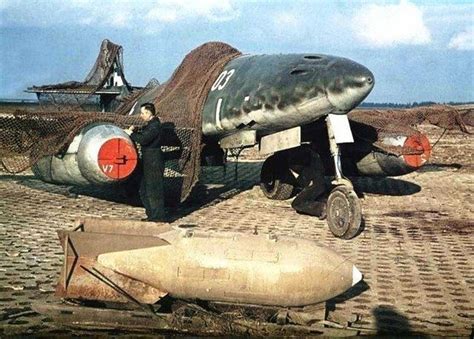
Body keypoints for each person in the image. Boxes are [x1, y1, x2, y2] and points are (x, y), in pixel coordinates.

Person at [125, 103, 166, 222]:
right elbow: (145, 133)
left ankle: (158, 217)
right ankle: (152, 215)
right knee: (144, 189)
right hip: (148, 160)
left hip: (153, 161)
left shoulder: (155, 126)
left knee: (154, 189)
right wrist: (136, 130)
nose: (141, 116)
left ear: (149, 113)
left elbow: (144, 139)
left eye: (143, 113)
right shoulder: (151, 125)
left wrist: (131, 134)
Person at [290, 147, 328, 219]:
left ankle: (321, 208)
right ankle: (325, 202)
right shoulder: (313, 153)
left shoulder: (299, 155)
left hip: (314, 183)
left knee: (296, 204)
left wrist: (293, 172)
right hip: (321, 182)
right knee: (315, 197)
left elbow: (303, 179)